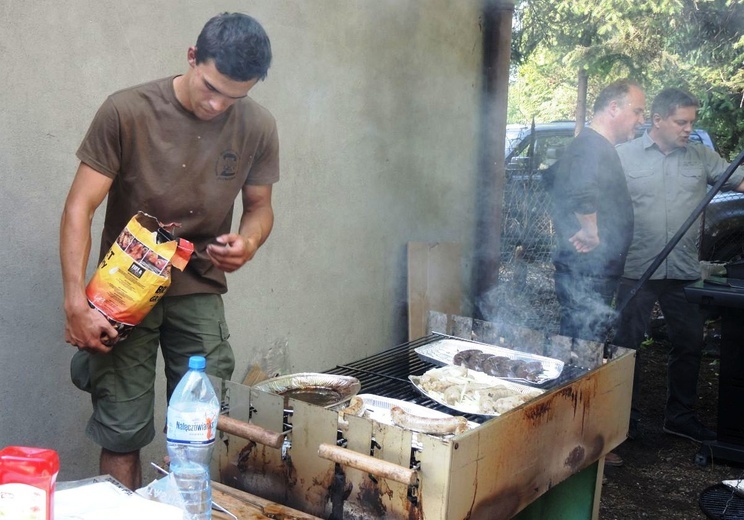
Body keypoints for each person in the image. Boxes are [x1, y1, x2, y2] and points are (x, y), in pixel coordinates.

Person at [59, 12, 279, 489]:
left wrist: (249, 241)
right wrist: (76, 301)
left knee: (202, 428)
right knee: (121, 430)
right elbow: (80, 207)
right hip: (125, 291)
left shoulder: (258, 126)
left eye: (235, 96)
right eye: (211, 88)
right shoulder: (126, 110)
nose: (219, 105)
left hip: (198, 285)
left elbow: (260, 207)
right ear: (192, 57)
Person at [613, 87, 744, 443]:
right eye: (681, 122)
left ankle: (680, 416)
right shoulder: (623, 156)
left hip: (684, 270)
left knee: (689, 343)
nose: (688, 129)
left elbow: (739, 179)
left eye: (691, 122)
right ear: (657, 120)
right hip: (637, 269)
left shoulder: (700, 156)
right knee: (626, 347)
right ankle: (624, 418)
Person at [550, 79, 645, 467]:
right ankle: (573, 444)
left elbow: (559, 185)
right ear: (613, 109)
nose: (639, 120)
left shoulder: (594, 146)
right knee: (582, 351)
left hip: (590, 273)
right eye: (637, 111)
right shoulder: (591, 146)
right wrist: (590, 229)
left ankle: (572, 438)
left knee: (583, 348)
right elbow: (580, 192)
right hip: (586, 274)